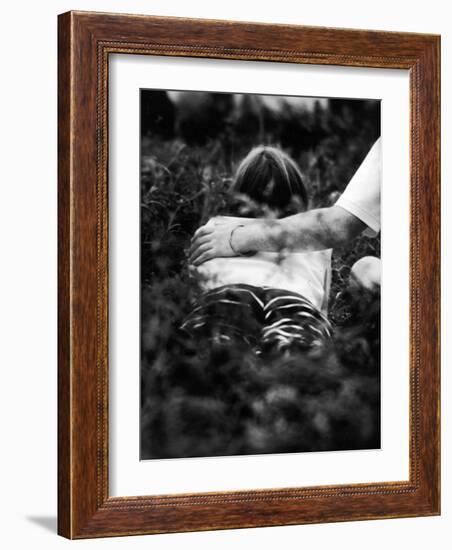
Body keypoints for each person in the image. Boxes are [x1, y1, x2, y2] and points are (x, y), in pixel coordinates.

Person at [182, 146, 333, 354]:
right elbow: (322, 307)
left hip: (228, 294)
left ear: (239, 193)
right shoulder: (316, 239)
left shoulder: (214, 227)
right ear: (298, 197)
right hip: (296, 300)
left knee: (213, 359)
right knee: (297, 363)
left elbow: (194, 284)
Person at [189, 138, 382, 291]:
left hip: (224, 305)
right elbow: (335, 227)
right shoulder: (317, 248)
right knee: (366, 267)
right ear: (299, 203)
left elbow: (193, 285)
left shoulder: (214, 230)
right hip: (292, 311)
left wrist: (234, 239)